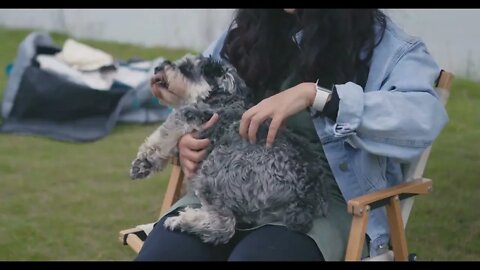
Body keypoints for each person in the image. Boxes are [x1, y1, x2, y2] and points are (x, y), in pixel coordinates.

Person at [135, 9, 448, 261]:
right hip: (220, 196)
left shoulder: (386, 47)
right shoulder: (247, 31)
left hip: (320, 205)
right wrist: (186, 142)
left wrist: (318, 96)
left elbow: (422, 118)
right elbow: (195, 95)